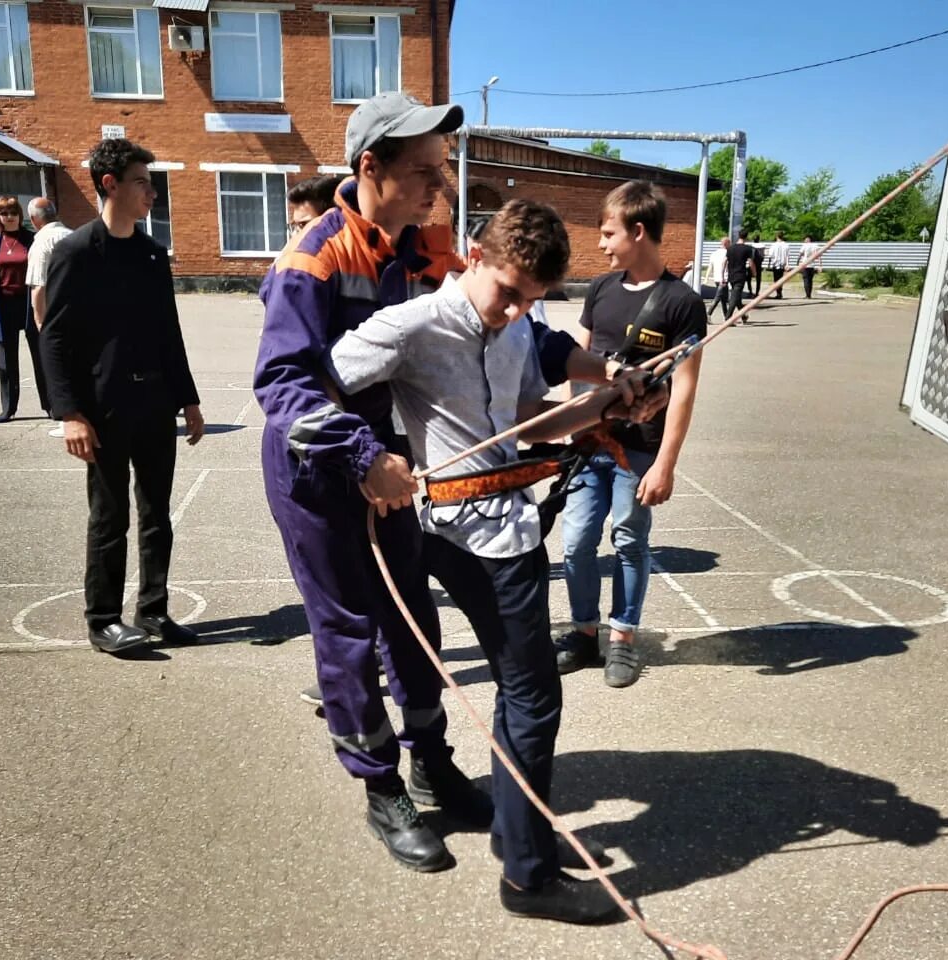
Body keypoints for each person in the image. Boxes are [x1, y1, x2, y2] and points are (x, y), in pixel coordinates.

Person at [325, 198, 658, 924]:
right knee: (534, 697)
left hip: (503, 525)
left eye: (529, 301)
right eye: (508, 291)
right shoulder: (413, 324)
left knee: (522, 693)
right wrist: (367, 456)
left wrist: (606, 404)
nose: (514, 312)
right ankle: (528, 879)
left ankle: (521, 836)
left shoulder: (516, 330)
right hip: (466, 535)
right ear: (474, 254)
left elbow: (536, 417)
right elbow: (323, 376)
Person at [255, 92, 498, 873]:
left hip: (386, 464)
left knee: (413, 622)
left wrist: (595, 378)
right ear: (371, 168)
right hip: (317, 472)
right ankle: (380, 787)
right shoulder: (313, 260)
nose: (441, 186)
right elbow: (282, 385)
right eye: (426, 170)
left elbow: (490, 318)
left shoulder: (424, 251)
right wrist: (364, 458)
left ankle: (430, 759)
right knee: (350, 632)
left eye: (444, 168)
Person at [40, 138, 205, 656]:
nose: (150, 193)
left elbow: (168, 331)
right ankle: (103, 619)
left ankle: (152, 610)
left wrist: (189, 399)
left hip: (155, 406)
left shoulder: (153, 254)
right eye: (141, 182)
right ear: (109, 184)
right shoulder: (76, 252)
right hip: (103, 409)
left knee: (158, 514)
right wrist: (70, 413)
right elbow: (55, 337)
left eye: (150, 183)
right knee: (111, 518)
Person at [555, 180, 706, 688]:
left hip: (638, 451)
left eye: (607, 233)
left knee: (627, 540)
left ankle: (622, 638)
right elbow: (579, 359)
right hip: (588, 443)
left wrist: (666, 463)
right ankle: (582, 632)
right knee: (575, 543)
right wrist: (567, 422)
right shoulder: (600, 289)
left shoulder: (682, 302)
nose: (600, 245)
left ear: (638, 231)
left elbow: (683, 390)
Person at [0, 195, 36, 423]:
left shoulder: (32, 239)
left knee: (42, 355)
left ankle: (51, 406)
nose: (9, 217)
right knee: (5, 360)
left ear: (20, 215)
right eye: (4, 213)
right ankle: (8, 407)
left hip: (29, 303)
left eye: (13, 212)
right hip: (3, 305)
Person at [25, 197, 72, 439]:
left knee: (60, 370)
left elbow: (38, 286)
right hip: (80, 312)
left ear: (34, 220)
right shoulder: (73, 236)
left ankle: (67, 421)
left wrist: (41, 323)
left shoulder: (41, 243)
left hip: (57, 316)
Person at [725, 229, 756, 323]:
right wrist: (754, 273)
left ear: (739, 236)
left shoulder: (730, 248)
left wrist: (724, 273)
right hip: (740, 275)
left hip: (731, 275)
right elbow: (750, 263)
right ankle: (728, 318)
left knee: (737, 297)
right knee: (734, 297)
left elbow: (725, 261)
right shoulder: (747, 248)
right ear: (747, 237)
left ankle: (743, 316)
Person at [767, 231, 790, 298]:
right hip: (783, 264)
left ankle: (778, 293)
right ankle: (780, 292)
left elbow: (770, 255)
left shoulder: (773, 245)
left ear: (776, 236)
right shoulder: (786, 245)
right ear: (783, 236)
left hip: (775, 264)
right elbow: (788, 256)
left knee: (776, 279)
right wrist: (787, 264)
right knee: (781, 279)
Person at [750, 232, 765, 298]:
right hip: (759, 264)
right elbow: (763, 256)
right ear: (759, 239)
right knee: (758, 279)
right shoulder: (762, 246)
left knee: (749, 279)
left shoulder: (751, 246)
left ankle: (750, 291)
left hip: (752, 263)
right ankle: (757, 292)